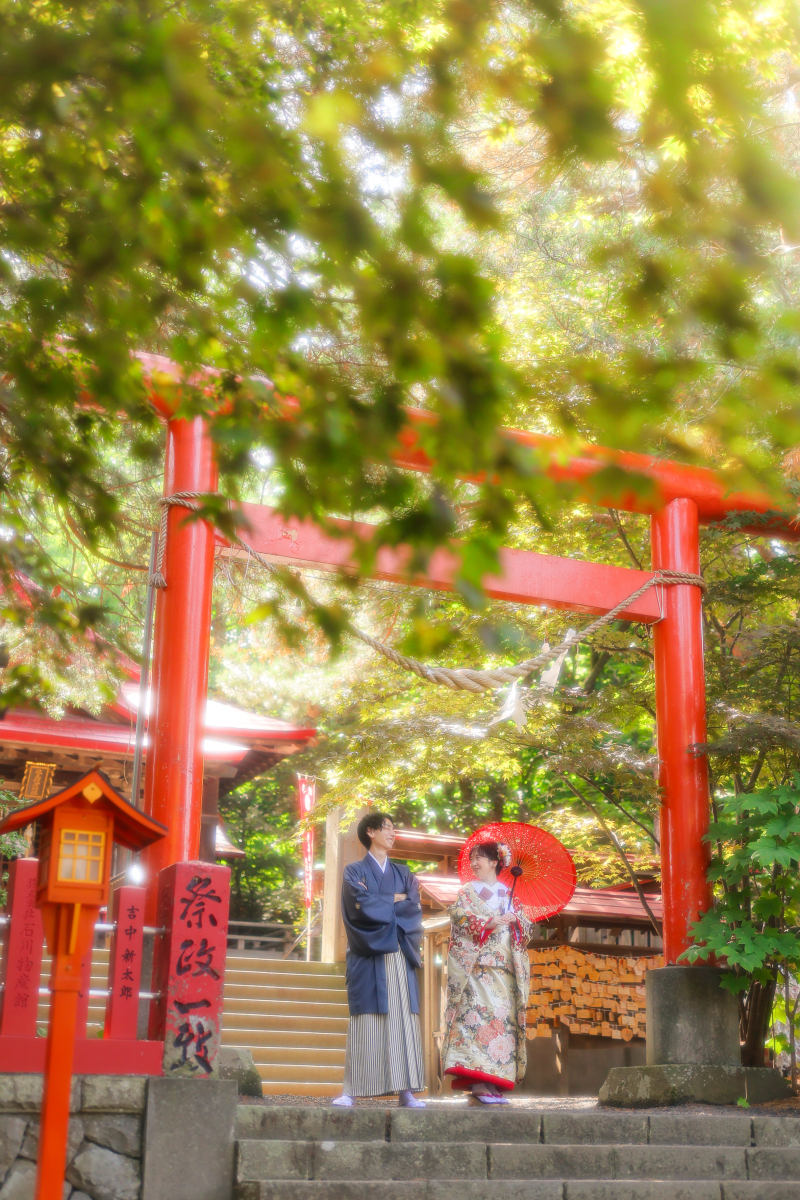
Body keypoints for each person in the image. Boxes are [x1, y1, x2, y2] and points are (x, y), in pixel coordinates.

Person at [332, 812, 426, 1107]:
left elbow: (412, 906)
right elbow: (357, 906)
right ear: (370, 832)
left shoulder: (404, 872)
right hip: (368, 954)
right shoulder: (353, 871)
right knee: (367, 1020)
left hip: (398, 951)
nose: (392, 832)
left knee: (402, 1020)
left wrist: (383, 900)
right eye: (386, 827)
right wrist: (393, 900)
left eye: (393, 828)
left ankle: (405, 1090)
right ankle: (352, 1090)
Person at [441, 840, 533, 1104]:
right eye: (472, 858)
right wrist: (489, 922)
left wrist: (518, 921)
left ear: (495, 862)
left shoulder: (509, 894)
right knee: (476, 1020)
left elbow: (527, 931)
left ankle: (493, 1081)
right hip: (476, 969)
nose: (474, 863)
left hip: (504, 970)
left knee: (501, 1023)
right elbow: (458, 917)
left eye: (480, 857)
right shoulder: (467, 892)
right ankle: (478, 1081)